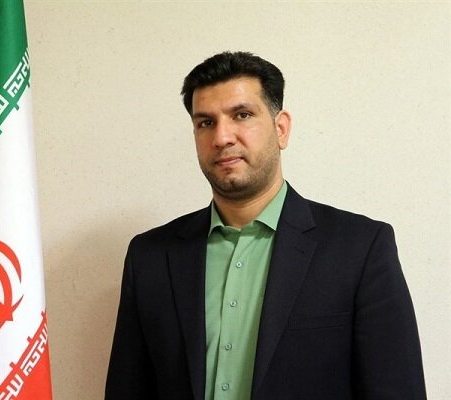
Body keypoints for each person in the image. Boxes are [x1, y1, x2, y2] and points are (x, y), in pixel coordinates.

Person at [105, 51, 426, 400]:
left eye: (241, 115)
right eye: (206, 122)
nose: (222, 137)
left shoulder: (360, 248)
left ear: (281, 128)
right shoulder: (150, 256)